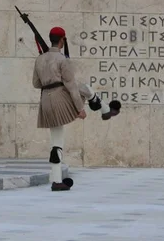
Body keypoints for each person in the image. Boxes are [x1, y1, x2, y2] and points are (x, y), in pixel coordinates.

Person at [32, 27, 120, 191]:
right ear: (62, 40)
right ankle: (103, 109)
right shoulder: (62, 60)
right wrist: (80, 108)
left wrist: (48, 77)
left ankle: (57, 181)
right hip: (60, 99)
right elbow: (71, 87)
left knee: (56, 141)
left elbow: (36, 84)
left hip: (45, 100)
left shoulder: (40, 59)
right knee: (83, 88)